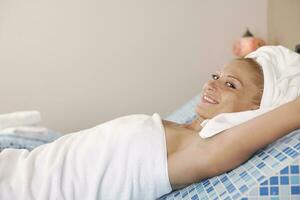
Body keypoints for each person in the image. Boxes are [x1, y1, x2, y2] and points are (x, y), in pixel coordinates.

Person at [0, 46, 300, 200]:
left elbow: (290, 112)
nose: (212, 85)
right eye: (216, 77)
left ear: (255, 110)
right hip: (17, 168)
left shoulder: (204, 149)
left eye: (230, 85)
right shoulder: (181, 129)